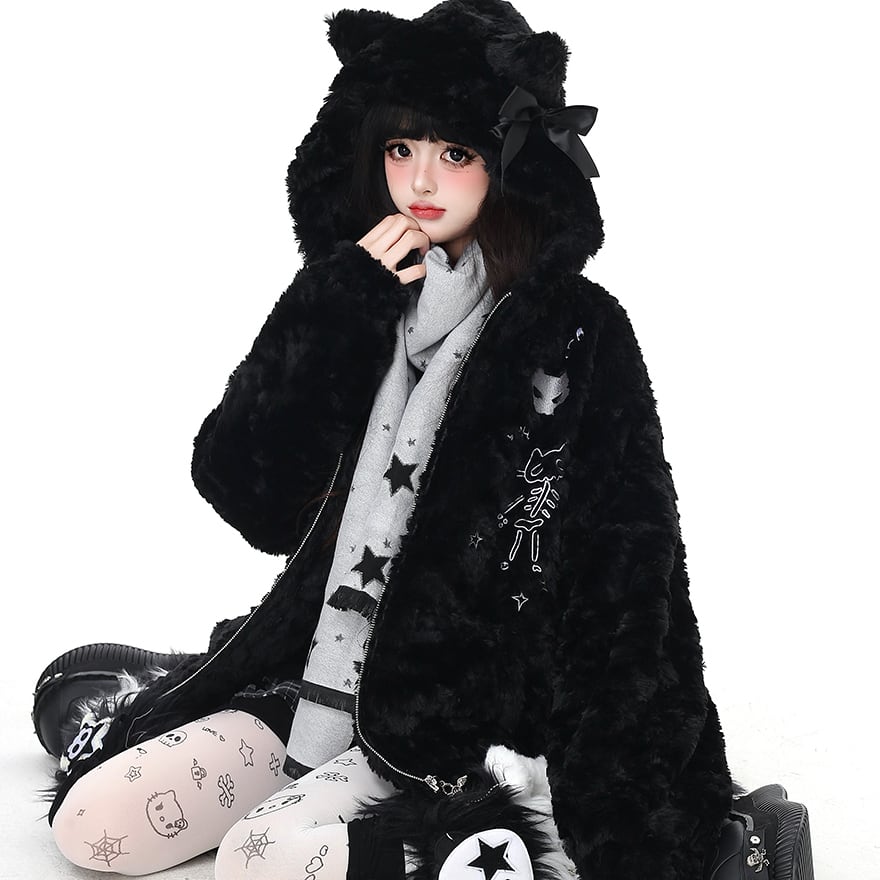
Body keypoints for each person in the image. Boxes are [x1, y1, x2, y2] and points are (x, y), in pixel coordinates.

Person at [34, 1, 734, 878]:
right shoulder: (362, 297)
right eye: (401, 149)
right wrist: (335, 306)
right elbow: (249, 496)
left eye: (457, 153)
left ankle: (499, 842)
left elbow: (628, 559)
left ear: (510, 166)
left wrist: (626, 782)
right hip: (315, 680)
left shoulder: (575, 330)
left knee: (257, 860)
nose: (421, 181)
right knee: (92, 823)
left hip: (462, 717)